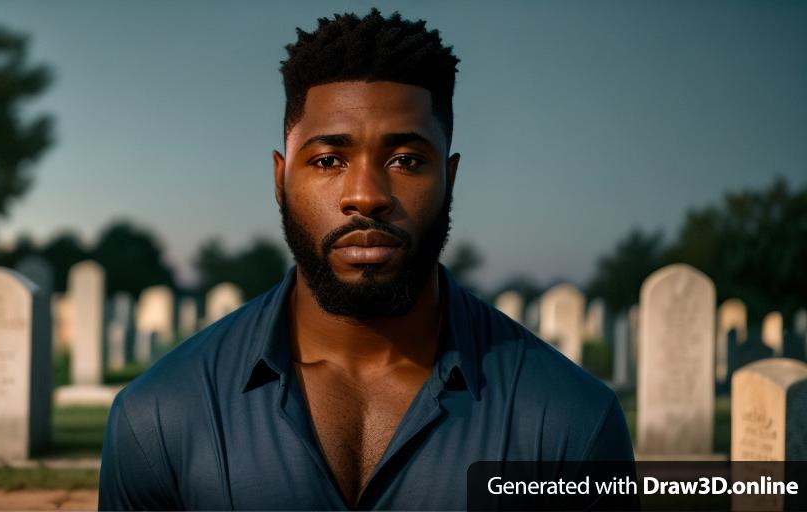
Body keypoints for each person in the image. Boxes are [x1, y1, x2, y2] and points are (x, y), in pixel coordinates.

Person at [99, 9, 634, 510]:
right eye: (329, 159)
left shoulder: (570, 420)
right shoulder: (161, 416)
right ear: (281, 180)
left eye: (405, 159)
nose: (366, 194)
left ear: (450, 178)